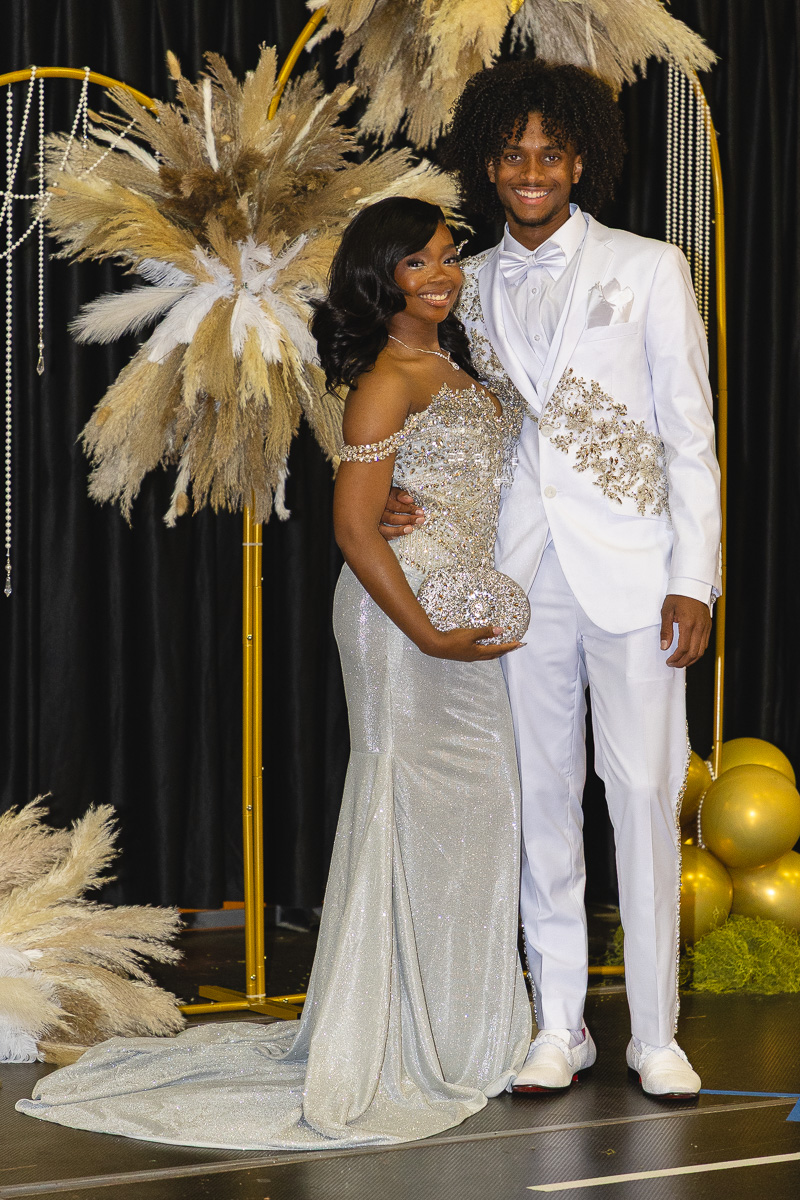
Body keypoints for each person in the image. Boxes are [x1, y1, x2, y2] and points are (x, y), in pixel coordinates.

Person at [16, 197, 532, 1149]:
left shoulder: (461, 361)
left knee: (472, 815)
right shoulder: (386, 378)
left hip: (449, 615)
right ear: (383, 282)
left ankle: (460, 1027)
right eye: (417, 264)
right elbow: (350, 524)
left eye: (446, 257)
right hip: (401, 622)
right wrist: (422, 631)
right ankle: (389, 1038)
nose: (442, 274)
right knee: (399, 806)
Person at [382, 61, 722, 1100]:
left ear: (580, 160)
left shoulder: (650, 266)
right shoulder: (462, 282)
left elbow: (688, 436)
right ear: (487, 164)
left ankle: (654, 1032)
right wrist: (395, 498)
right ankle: (559, 1023)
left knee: (639, 796)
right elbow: (436, 411)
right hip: (520, 575)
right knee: (539, 804)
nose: (530, 171)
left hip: (635, 576)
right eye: (512, 154)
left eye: (549, 153)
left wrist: (693, 579)